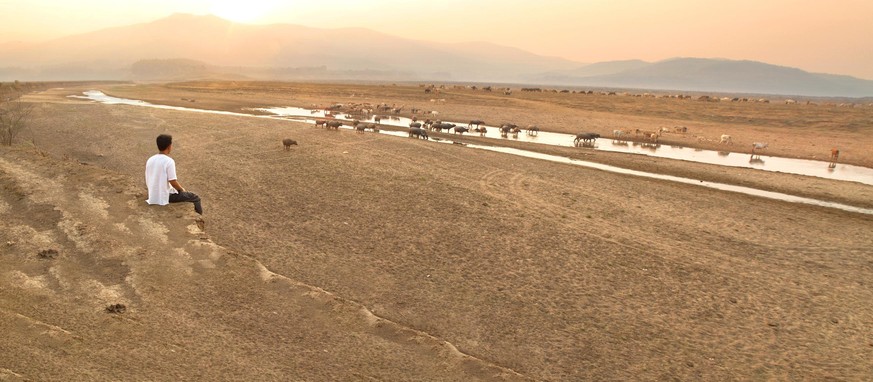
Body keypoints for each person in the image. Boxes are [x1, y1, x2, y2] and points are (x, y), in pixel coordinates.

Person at [145, 134, 202, 215]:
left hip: (153, 194)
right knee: (195, 197)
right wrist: (181, 189)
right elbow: (172, 181)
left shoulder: (150, 159)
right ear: (169, 146)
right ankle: (199, 217)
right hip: (164, 196)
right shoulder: (169, 161)